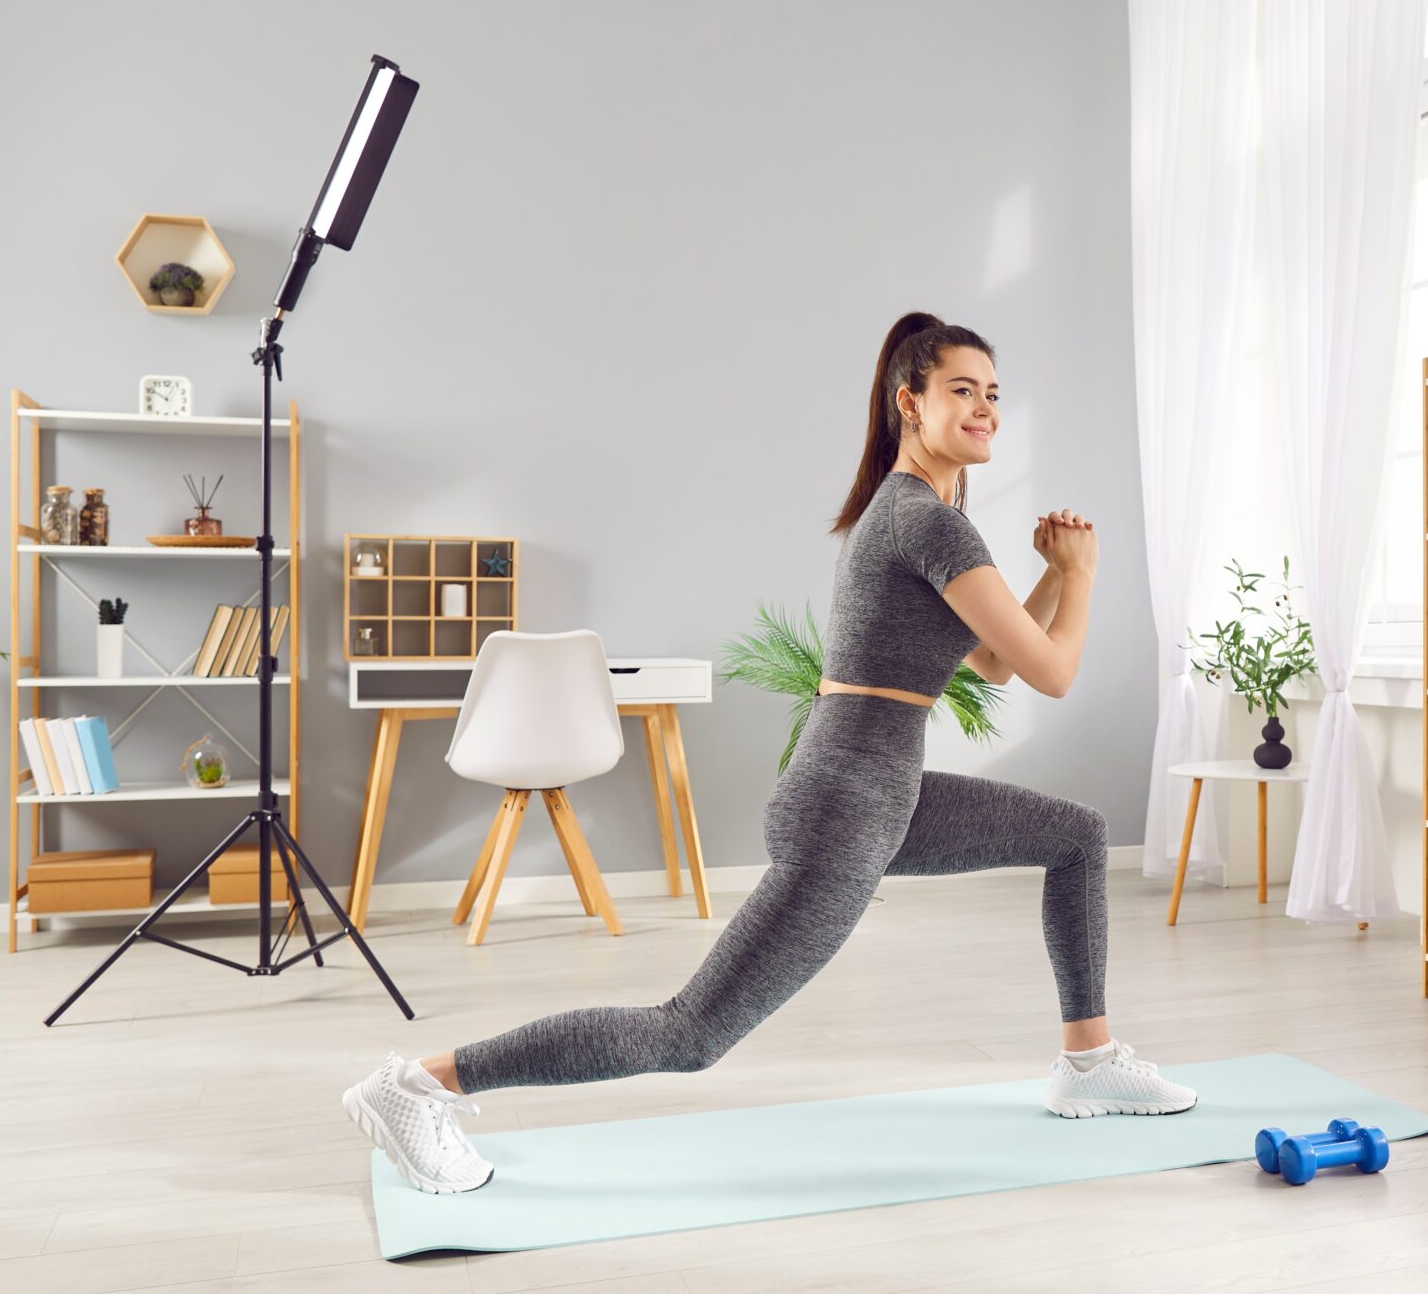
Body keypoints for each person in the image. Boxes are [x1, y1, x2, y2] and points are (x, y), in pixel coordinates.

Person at [341, 311, 1197, 1194]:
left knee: (1076, 834)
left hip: (875, 787)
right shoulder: (927, 521)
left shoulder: (918, 514)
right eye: (960, 391)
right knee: (690, 1033)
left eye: (991, 395)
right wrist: (1086, 574)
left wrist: (1054, 568)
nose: (983, 409)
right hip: (848, 800)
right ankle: (413, 1086)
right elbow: (1051, 671)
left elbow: (988, 656)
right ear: (910, 403)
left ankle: (1088, 1064)